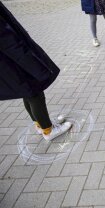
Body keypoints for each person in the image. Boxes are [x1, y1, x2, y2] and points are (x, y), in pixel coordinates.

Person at [0, 2, 72, 141]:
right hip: (13, 59)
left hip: (9, 61)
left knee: (27, 92)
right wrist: (31, 62)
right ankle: (48, 131)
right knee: (35, 92)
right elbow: (7, 40)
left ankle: (41, 124)